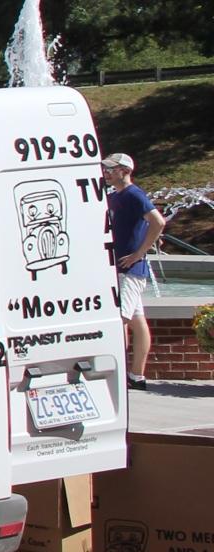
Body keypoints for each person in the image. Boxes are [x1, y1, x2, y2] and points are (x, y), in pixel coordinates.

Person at [104, 152, 167, 391]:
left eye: (112, 168)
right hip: (124, 268)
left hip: (129, 270)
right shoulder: (116, 196)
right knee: (138, 322)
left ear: (125, 171)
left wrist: (139, 253)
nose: (107, 173)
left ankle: (119, 373)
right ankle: (136, 375)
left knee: (121, 318)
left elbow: (158, 222)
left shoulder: (134, 194)